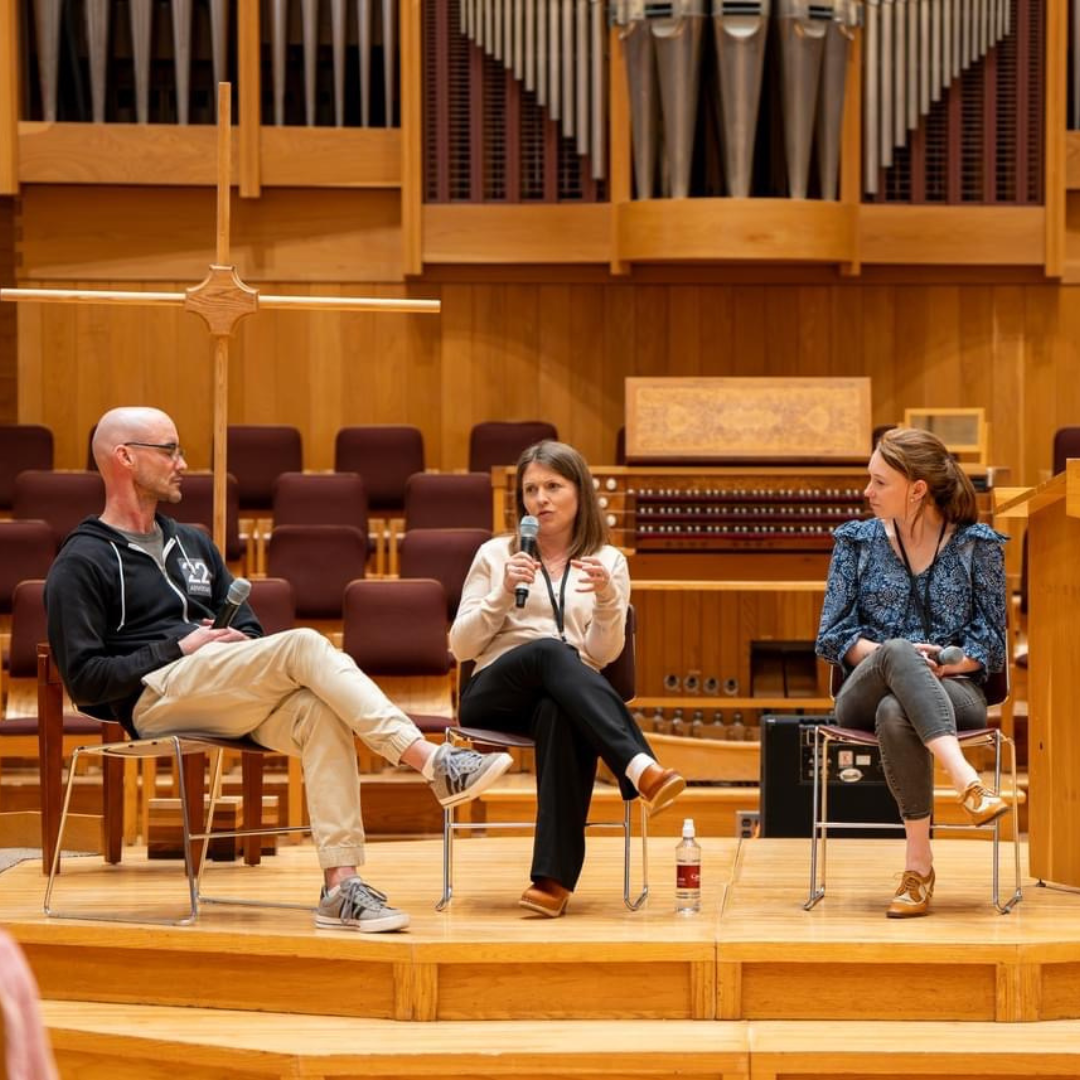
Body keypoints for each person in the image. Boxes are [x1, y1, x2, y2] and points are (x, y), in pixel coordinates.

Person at [45, 406, 513, 934]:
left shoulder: (193, 543)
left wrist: (226, 647)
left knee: (320, 710)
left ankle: (341, 886)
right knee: (308, 646)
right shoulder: (82, 559)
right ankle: (432, 761)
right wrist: (181, 647)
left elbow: (248, 628)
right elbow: (84, 680)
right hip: (153, 701)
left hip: (223, 689)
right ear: (125, 457)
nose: (183, 462)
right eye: (170, 449)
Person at [449, 440, 685, 917]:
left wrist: (605, 599)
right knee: (550, 651)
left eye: (554, 486)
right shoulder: (496, 554)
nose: (541, 499)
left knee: (560, 705)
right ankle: (639, 766)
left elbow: (601, 655)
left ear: (580, 493)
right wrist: (500, 594)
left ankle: (552, 879)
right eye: (531, 489)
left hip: (566, 693)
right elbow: (461, 647)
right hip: (494, 691)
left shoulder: (608, 561)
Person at [815, 426, 1009, 918]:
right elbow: (832, 636)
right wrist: (894, 655)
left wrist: (945, 663)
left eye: (880, 482)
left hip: (955, 688)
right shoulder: (855, 541)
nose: (867, 492)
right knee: (896, 656)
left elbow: (991, 640)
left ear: (917, 489)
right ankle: (965, 779)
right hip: (862, 685)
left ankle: (917, 867)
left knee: (896, 707)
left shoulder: (977, 546)